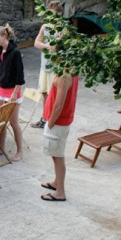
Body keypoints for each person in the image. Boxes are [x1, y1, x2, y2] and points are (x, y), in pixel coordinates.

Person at [0, 24, 25, 162]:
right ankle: (0, 148)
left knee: (14, 123)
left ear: (4, 36)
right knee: (0, 121)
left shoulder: (15, 53)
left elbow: (20, 76)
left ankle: (20, 151)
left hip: (12, 92)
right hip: (0, 91)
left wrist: (15, 93)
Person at [40, 72, 79, 202]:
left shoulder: (64, 77)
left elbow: (58, 105)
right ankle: (57, 182)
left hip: (57, 123)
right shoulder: (71, 70)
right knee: (55, 153)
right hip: (60, 122)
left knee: (58, 156)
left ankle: (60, 192)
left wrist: (50, 123)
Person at [31, 1, 64, 128]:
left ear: (60, 14)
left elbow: (58, 48)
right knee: (44, 93)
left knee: (53, 94)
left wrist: (51, 47)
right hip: (44, 65)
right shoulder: (45, 27)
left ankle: (52, 119)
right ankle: (44, 118)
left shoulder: (62, 29)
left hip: (55, 67)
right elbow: (36, 43)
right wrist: (46, 46)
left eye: (53, 14)